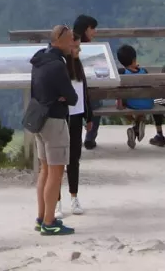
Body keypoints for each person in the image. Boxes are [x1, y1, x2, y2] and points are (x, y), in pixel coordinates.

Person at [29, 25, 78, 236]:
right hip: (55, 121)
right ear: (60, 41)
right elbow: (73, 97)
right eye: (70, 41)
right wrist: (63, 97)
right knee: (56, 173)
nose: (72, 45)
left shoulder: (39, 58)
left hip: (38, 119)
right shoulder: (58, 65)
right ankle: (50, 222)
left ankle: (41, 218)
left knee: (45, 170)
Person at [115, 45, 156, 149]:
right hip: (148, 104)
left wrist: (119, 103)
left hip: (132, 105)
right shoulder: (144, 71)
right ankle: (137, 127)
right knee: (140, 103)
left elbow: (118, 91)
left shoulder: (122, 72)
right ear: (134, 59)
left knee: (126, 103)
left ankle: (135, 126)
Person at [65, 35, 88, 214]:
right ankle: (55, 201)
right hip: (61, 116)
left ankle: (74, 197)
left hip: (77, 116)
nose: (79, 50)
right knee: (56, 161)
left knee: (74, 159)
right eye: (76, 47)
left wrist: (89, 115)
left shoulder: (78, 65)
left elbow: (84, 90)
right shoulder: (60, 66)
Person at [73, 15, 102, 150]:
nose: (95, 31)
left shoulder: (70, 44)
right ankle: (90, 138)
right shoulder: (90, 49)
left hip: (74, 91)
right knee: (96, 103)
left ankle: (75, 140)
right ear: (86, 30)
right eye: (92, 28)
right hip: (87, 91)